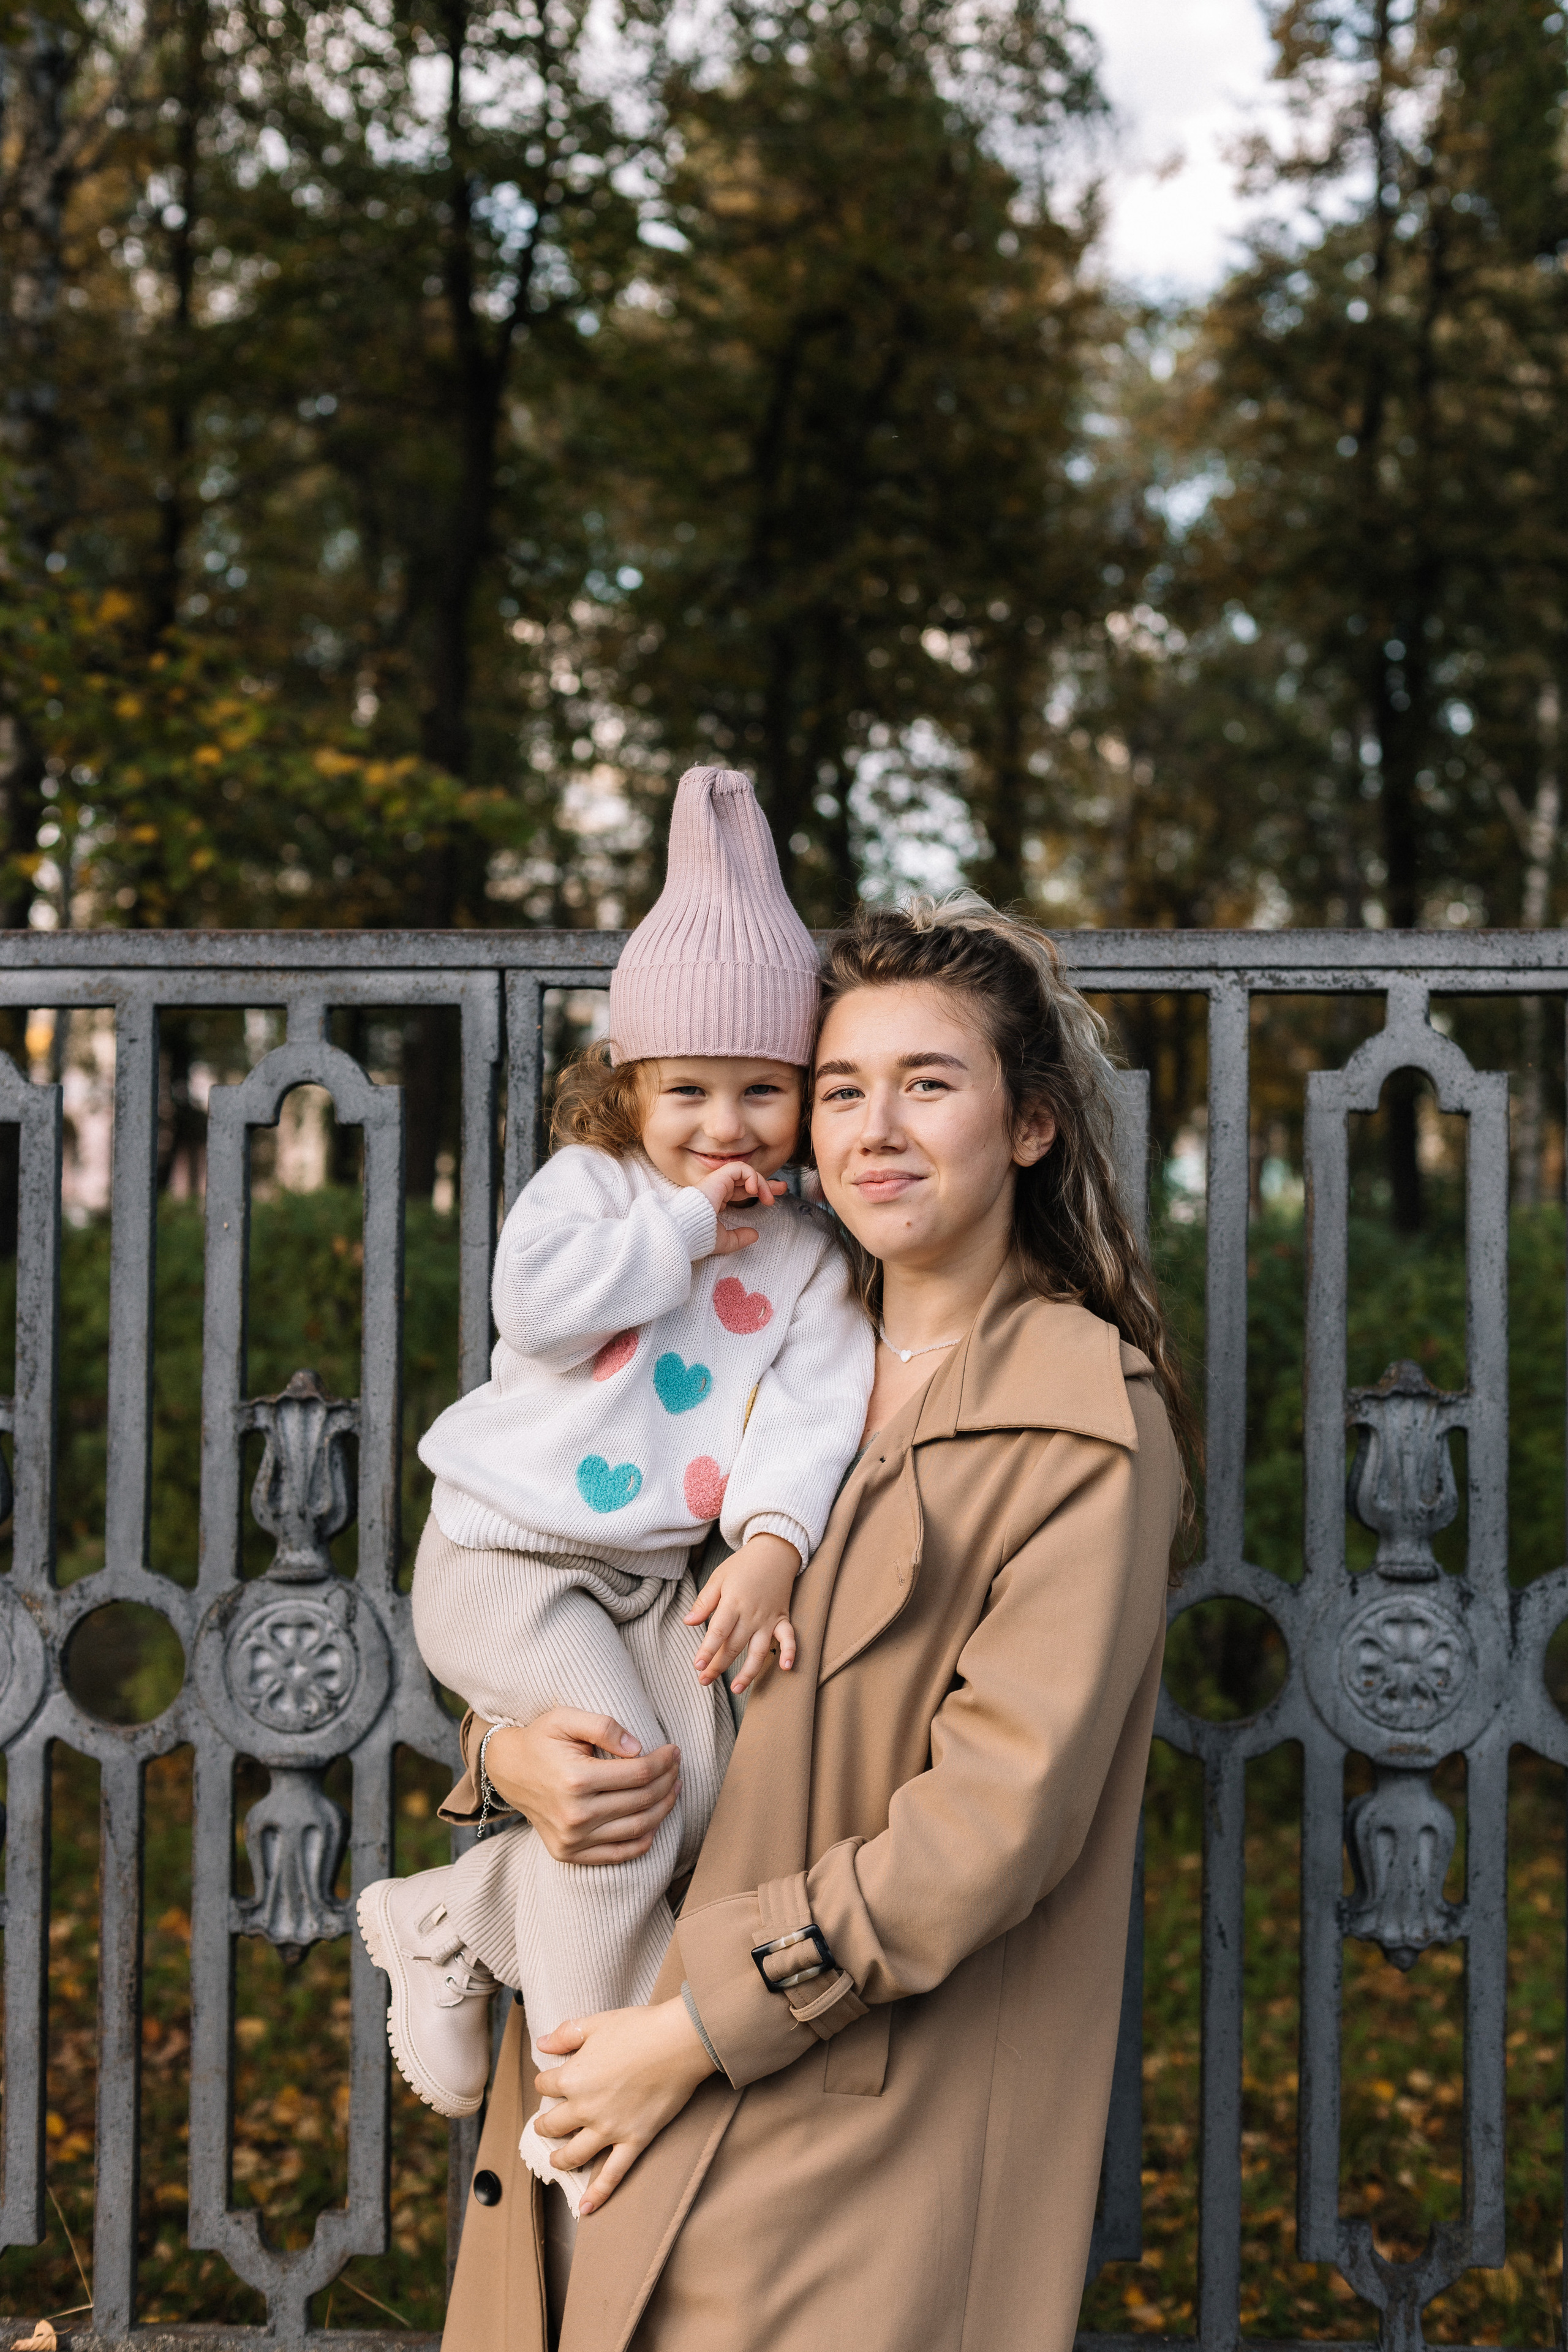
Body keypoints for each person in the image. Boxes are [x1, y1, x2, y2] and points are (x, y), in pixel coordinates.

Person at [438, 892, 1194, 2352]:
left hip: (830, 2127)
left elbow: (990, 1829)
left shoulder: (1075, 1420)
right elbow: (581, 1602)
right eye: (840, 1087)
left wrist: (693, 2033)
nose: (873, 1129)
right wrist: (505, 1754)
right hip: (603, 2070)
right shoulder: (740, 1330)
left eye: (928, 1084)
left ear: (1028, 1125)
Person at [356, 767, 873, 2212]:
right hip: (506, 1557)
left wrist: (771, 1544)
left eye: (761, 1091)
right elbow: (539, 1311)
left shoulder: (811, 1258)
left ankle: (453, 1917)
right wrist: (681, 1233)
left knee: (692, 1792)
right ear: (628, 1089)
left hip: (649, 1576)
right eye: (687, 1091)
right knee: (622, 1789)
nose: (726, 1125)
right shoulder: (592, 1193)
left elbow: (812, 1412)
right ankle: (586, 2108)